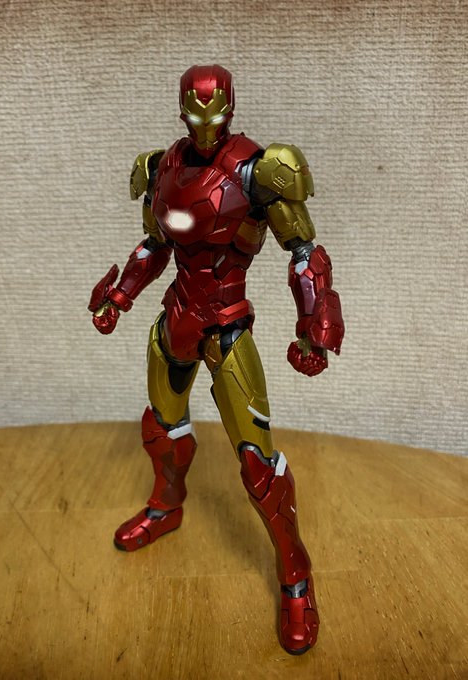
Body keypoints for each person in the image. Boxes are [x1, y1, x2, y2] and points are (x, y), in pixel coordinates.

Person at [89, 64, 344, 655]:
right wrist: (119, 297)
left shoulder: (262, 171)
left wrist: (315, 324)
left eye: (215, 107)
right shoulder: (162, 168)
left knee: (258, 463)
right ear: (181, 107)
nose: (205, 120)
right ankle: (166, 506)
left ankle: (295, 574)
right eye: (195, 108)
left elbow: (304, 252)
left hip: (227, 326)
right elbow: (155, 244)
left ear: (230, 105)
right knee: (161, 427)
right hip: (175, 319)